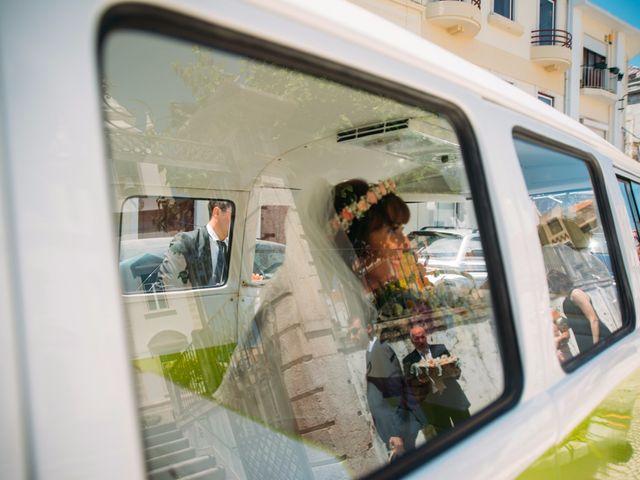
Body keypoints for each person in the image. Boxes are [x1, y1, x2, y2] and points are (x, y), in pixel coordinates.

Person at [332, 178, 420, 456]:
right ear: (361, 243)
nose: (405, 244)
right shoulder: (338, 308)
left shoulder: (385, 296)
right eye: (393, 231)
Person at [402, 325, 470, 436]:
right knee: (446, 438)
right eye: (417, 338)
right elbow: (410, 385)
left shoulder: (440, 349)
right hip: (435, 406)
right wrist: (419, 382)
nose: (421, 341)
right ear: (412, 341)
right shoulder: (409, 361)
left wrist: (452, 370)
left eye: (423, 337)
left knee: (468, 430)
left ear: (426, 336)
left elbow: (456, 372)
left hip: (454, 399)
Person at [158, 199, 232, 290]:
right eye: (235, 215)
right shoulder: (185, 243)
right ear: (216, 212)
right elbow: (171, 287)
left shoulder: (234, 248)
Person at [547, 270, 611, 353]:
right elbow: (575, 321)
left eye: (550, 285)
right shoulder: (568, 298)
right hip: (585, 341)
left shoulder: (576, 294)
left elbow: (593, 319)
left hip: (597, 338)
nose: (550, 289)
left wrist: (595, 344)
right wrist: (556, 318)